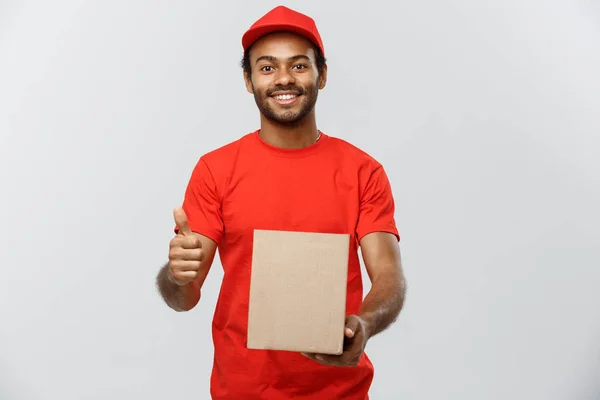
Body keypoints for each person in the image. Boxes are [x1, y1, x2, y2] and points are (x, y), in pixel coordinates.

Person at [156, 5, 406, 400]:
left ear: (322, 75)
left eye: (299, 66)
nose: (284, 79)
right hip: (241, 391)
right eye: (268, 67)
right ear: (248, 79)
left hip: (340, 391)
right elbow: (183, 298)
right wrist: (175, 274)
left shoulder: (363, 171)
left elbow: (389, 276)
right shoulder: (216, 170)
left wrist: (365, 323)